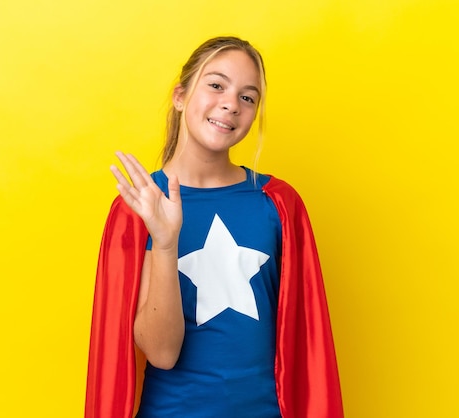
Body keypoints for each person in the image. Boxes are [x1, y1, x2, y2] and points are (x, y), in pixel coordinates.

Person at [85, 36, 343, 418]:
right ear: (180, 96)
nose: (230, 104)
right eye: (217, 85)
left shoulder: (279, 203)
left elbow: (307, 344)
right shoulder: (139, 207)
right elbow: (161, 354)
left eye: (248, 97)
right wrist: (166, 241)